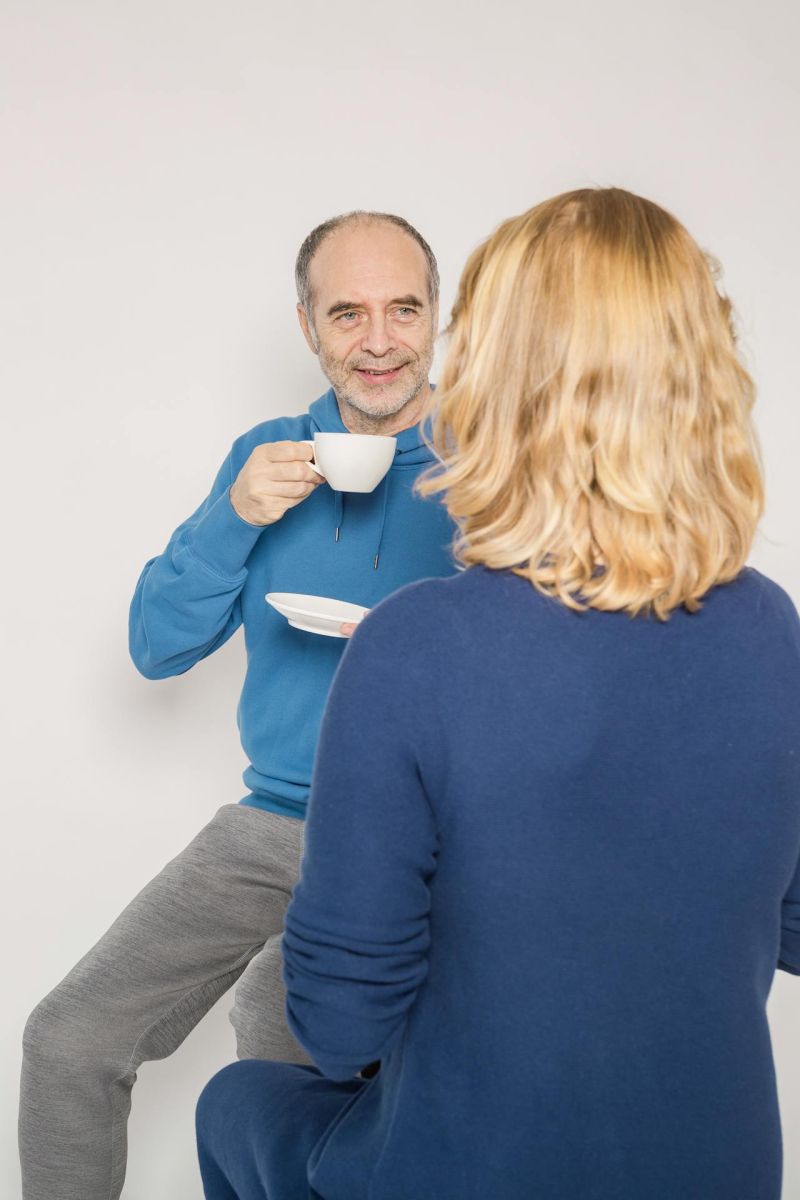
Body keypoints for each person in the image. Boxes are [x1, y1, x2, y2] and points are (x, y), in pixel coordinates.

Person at [195, 188, 800, 1200]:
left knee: (233, 1107)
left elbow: (337, 1029)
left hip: (464, 1173)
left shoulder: (414, 647)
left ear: (492, 380)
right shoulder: (770, 627)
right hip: (721, 1171)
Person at [19, 211, 457, 1200]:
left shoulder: (491, 461)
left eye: (402, 309)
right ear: (307, 326)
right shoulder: (265, 458)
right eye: (347, 313)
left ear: (437, 317)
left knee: (277, 1040)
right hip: (270, 827)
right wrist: (234, 516)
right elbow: (156, 646)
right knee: (66, 1039)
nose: (378, 340)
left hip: (423, 842)